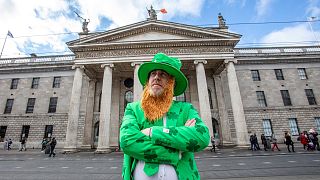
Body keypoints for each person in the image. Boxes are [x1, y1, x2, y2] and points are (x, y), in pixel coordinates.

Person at [120, 53, 210, 180]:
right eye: (153, 74)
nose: (156, 77)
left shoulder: (186, 109)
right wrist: (176, 151)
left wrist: (153, 132)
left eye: (162, 74)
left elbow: (202, 137)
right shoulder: (133, 108)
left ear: (171, 83)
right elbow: (127, 141)